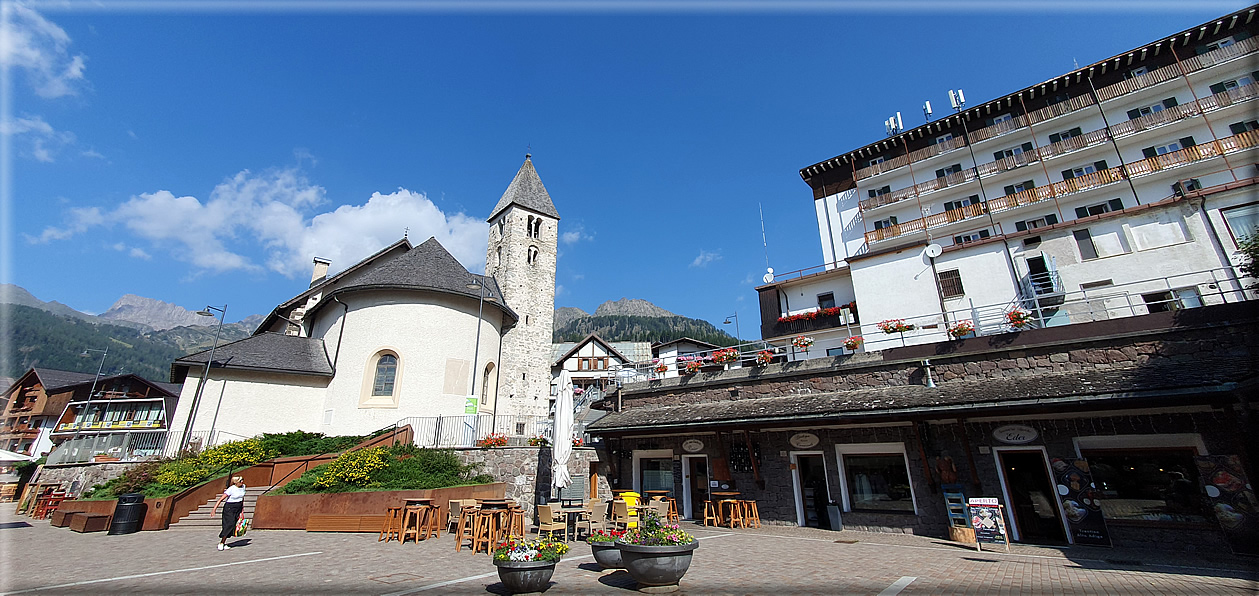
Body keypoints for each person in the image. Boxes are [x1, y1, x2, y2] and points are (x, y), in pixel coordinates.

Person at [211, 476, 246, 550]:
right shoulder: (231, 489)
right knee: (229, 524)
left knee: (233, 525)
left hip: (238, 507)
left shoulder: (243, 487)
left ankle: (224, 542)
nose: (242, 482)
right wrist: (214, 509)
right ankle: (221, 543)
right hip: (230, 507)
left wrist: (242, 509)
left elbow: (242, 498)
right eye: (240, 481)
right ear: (236, 482)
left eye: (242, 480)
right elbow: (221, 499)